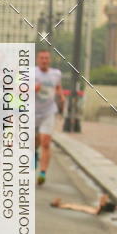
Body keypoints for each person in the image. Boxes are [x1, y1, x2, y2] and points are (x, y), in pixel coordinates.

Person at [34, 50, 64, 185]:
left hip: (48, 111)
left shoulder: (56, 74)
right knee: (34, 141)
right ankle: (34, 152)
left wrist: (61, 96)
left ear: (49, 60)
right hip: (31, 112)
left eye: (46, 58)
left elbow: (58, 87)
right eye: (42, 58)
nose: (44, 60)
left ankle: (42, 172)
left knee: (45, 142)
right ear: (37, 59)